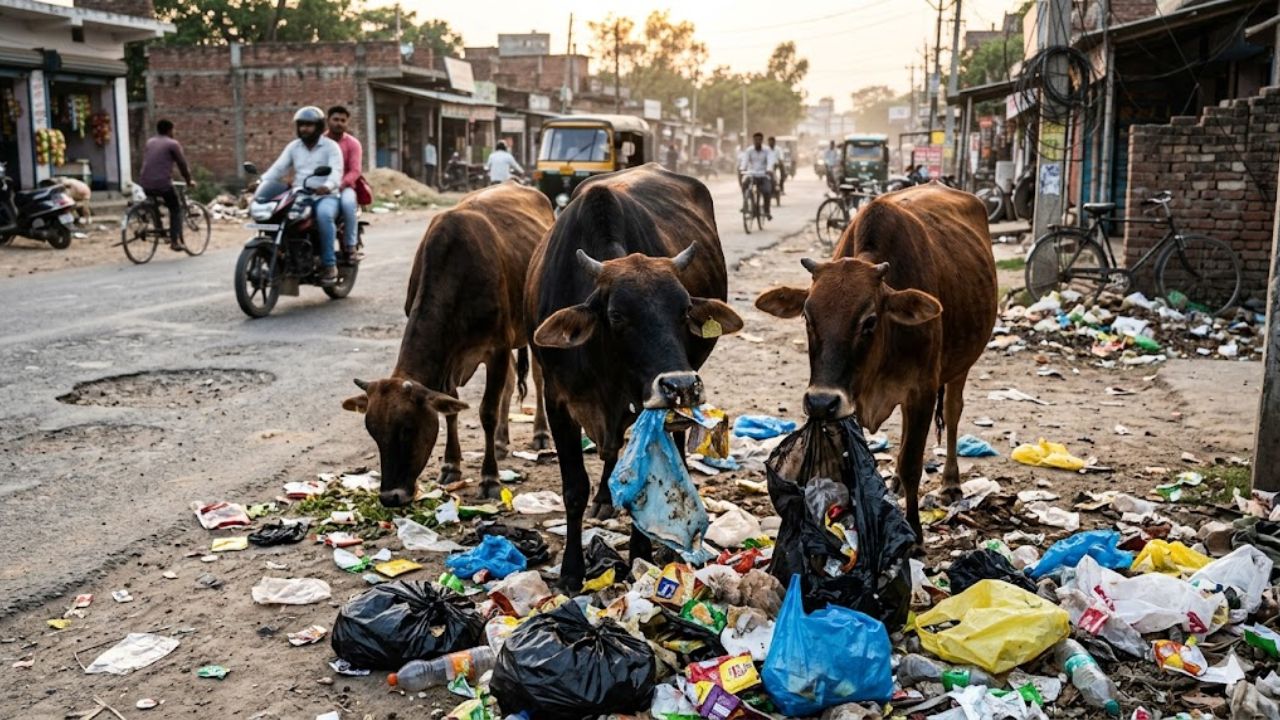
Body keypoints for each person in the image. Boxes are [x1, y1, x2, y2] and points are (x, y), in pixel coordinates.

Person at [258, 106, 343, 285]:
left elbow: (336, 171)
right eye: (301, 125)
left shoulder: (330, 147)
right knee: (277, 213)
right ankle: (283, 254)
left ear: (319, 127)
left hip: (325, 196)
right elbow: (278, 168)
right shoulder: (294, 147)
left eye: (309, 125)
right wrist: (261, 182)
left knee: (324, 216)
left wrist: (327, 186)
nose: (304, 128)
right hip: (299, 194)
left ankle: (329, 264)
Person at [137, 118, 195, 251]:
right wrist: (188, 180)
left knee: (154, 204)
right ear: (170, 130)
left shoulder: (150, 142)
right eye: (173, 130)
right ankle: (175, 241)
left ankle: (161, 232)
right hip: (162, 183)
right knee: (175, 208)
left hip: (145, 182)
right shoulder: (172, 144)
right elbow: (182, 164)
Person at [325, 105, 363, 263]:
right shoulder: (320, 142)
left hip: (345, 188)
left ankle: (350, 246)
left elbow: (355, 171)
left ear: (347, 123)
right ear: (328, 121)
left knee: (348, 205)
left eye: (342, 120)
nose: (338, 123)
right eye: (335, 119)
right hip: (321, 188)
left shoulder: (353, 144)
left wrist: (339, 184)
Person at [739, 131, 775, 220]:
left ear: (762, 140)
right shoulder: (749, 150)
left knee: (767, 191)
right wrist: (742, 168)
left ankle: (767, 210)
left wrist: (769, 169)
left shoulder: (767, 150)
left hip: (763, 175)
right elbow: (744, 161)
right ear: (753, 140)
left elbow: (770, 161)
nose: (757, 141)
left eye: (759, 140)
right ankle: (747, 204)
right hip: (752, 174)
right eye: (755, 140)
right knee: (744, 184)